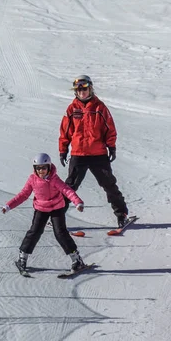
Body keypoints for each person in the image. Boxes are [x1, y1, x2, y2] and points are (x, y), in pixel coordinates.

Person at [59, 75, 130, 228]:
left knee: (109, 184)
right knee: (69, 187)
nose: (81, 92)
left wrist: (111, 146)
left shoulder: (100, 108)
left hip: (98, 154)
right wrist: (63, 150)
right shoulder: (72, 109)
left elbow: (110, 128)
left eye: (84, 88)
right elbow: (65, 131)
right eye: (79, 89)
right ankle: (56, 217)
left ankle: (121, 214)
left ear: (90, 88)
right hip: (79, 154)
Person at [2, 153, 87, 273]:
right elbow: (23, 195)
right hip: (41, 208)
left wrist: (77, 202)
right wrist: (9, 205)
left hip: (57, 208)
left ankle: (76, 260)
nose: (41, 171)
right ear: (35, 169)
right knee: (34, 232)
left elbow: (66, 190)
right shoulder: (32, 179)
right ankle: (22, 258)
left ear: (49, 167)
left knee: (60, 233)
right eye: (38, 168)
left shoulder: (54, 179)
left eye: (43, 168)